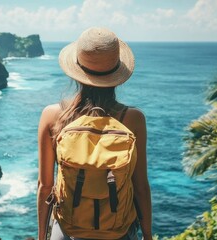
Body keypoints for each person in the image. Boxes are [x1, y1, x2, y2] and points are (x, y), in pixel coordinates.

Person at [37, 27, 152, 240]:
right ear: (117, 73)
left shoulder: (52, 116)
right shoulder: (133, 119)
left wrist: (41, 236)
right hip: (118, 231)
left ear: (77, 71)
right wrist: (147, 235)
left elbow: (45, 186)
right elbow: (140, 185)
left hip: (68, 230)